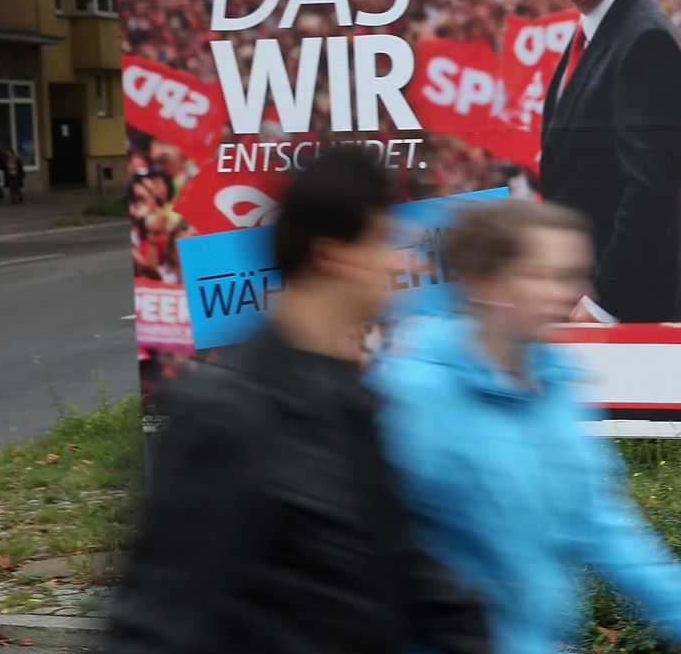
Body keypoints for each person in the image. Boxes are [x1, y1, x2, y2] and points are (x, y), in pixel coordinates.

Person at [108, 151, 491, 654]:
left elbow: (402, 572)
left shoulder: (354, 403)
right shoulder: (226, 416)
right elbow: (154, 625)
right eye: (384, 241)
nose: (406, 260)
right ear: (333, 256)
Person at [370, 199, 681, 654]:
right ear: (486, 280)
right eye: (542, 275)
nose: (564, 292)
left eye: (571, 275)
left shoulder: (554, 384)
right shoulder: (415, 391)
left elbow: (599, 521)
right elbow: (375, 546)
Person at [539, 0, 681, 324]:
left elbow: (651, 194)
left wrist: (601, 305)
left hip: (624, 327)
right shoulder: (596, 33)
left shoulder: (644, 39)